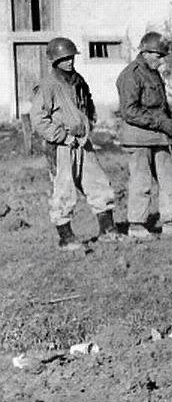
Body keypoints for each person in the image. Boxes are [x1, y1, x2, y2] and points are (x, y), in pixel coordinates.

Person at [31, 37, 119, 250]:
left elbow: (88, 103)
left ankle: (107, 230)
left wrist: (88, 125)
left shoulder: (78, 80)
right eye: (64, 59)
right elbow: (38, 120)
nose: (69, 62)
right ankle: (66, 238)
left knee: (98, 184)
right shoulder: (47, 85)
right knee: (64, 190)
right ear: (54, 61)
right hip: (61, 145)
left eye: (71, 57)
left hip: (82, 142)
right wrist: (63, 137)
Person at [117, 31, 172, 239]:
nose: (161, 61)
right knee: (141, 182)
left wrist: (171, 135)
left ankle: (171, 221)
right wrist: (163, 125)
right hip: (139, 138)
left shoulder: (153, 73)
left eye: (162, 57)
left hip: (160, 136)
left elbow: (162, 107)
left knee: (170, 179)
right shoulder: (130, 75)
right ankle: (137, 225)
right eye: (158, 56)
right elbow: (129, 111)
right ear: (145, 52)